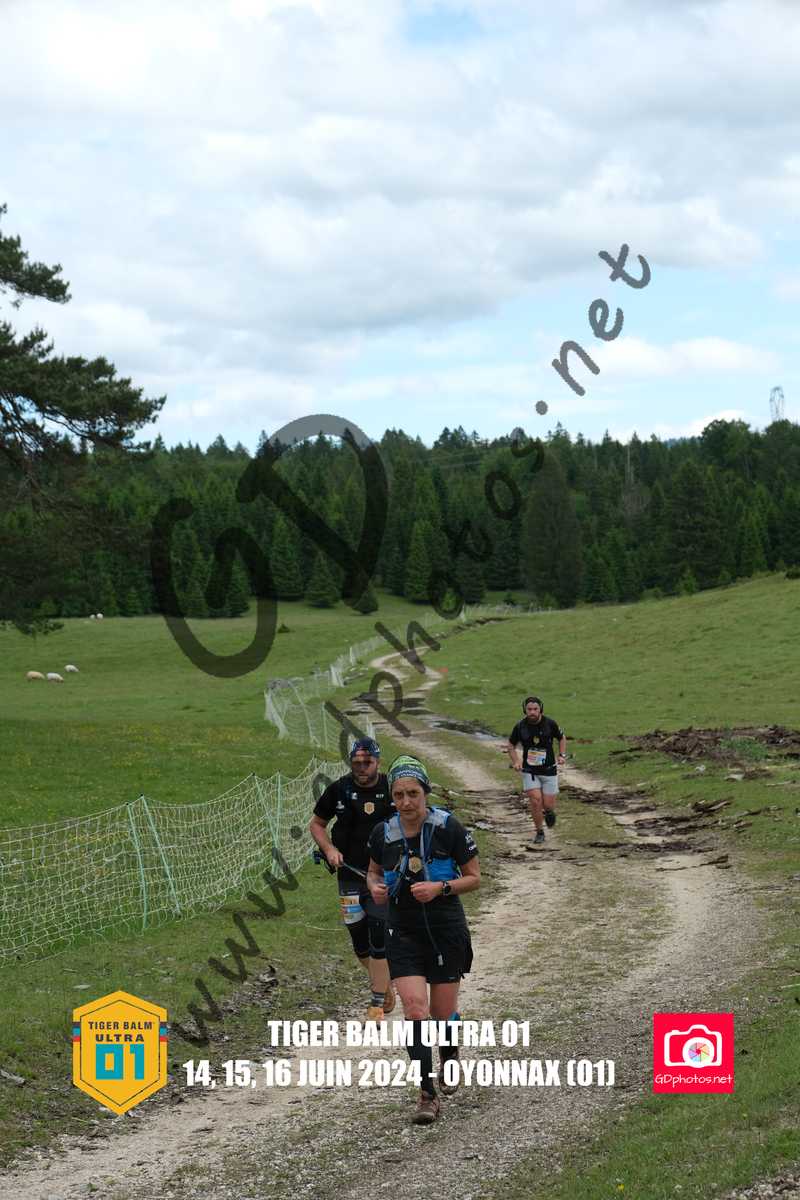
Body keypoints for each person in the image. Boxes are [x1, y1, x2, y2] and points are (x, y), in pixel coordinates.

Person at [367, 754, 480, 1125]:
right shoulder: (383, 833)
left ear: (425, 792)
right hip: (402, 930)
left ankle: (449, 1054)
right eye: (398, 795)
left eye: (412, 793)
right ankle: (427, 1094)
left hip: (445, 928)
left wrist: (440, 888)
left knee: (442, 1014)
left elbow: (474, 877)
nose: (405, 802)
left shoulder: (448, 827)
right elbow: (373, 872)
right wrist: (375, 887)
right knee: (415, 1010)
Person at [309, 737, 395, 1021]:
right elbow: (317, 824)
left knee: (379, 930)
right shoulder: (339, 789)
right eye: (356, 762)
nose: (361, 767)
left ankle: (377, 998)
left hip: (383, 875)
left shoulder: (392, 787)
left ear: (377, 762)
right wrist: (329, 849)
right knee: (359, 939)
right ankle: (385, 984)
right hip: (349, 874)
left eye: (367, 762)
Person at [507, 696, 566, 844]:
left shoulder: (550, 723)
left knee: (548, 805)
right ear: (524, 710)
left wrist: (561, 755)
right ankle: (539, 832)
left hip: (549, 770)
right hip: (530, 771)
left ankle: (549, 812)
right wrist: (516, 762)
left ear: (541, 710)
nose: (532, 712)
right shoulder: (520, 726)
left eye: (535, 709)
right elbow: (511, 745)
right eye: (529, 709)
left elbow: (562, 738)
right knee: (535, 801)